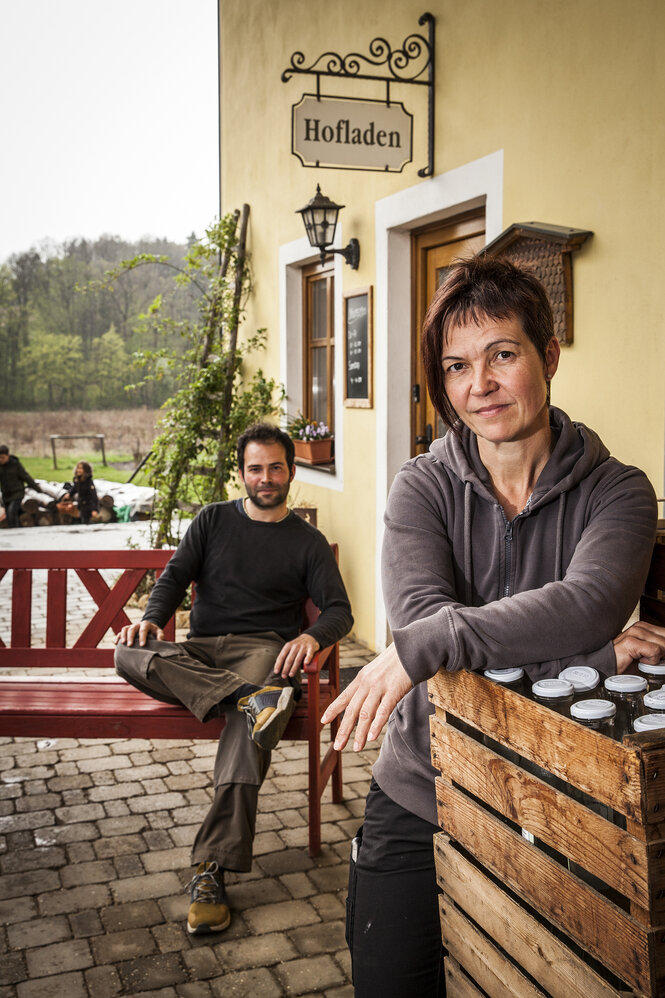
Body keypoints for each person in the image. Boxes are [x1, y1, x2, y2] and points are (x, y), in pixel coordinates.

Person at [321, 257, 665, 998]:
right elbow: (429, 631)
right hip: (425, 784)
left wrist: (430, 646)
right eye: (455, 366)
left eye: (501, 355)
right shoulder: (421, 486)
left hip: (564, 798)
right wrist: (594, 660)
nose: (478, 385)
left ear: (548, 356)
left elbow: (588, 602)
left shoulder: (619, 492)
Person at [115, 422, 352, 935]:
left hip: (262, 650)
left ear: (291, 470)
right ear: (241, 473)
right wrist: (154, 617)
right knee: (127, 653)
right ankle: (252, 699)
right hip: (200, 651)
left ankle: (212, 868)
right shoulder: (212, 520)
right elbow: (175, 576)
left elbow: (338, 611)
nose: (265, 478)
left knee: (245, 738)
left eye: (274, 467)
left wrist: (312, 637)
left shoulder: (307, 542)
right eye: (255, 468)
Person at [0, 444, 38, 528]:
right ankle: (14, 531)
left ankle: (15, 531)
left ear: (8, 456)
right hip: (6, 494)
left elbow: (26, 477)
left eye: (2, 457)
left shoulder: (15, 464)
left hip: (17, 492)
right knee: (10, 516)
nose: (1, 460)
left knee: (12, 511)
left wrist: (37, 489)